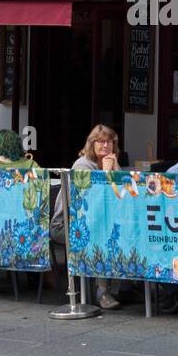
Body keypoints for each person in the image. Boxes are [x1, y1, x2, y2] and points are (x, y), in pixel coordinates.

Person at [71, 125, 125, 310]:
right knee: (105, 234)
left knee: (124, 231)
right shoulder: (83, 165)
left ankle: (123, 286)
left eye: (109, 142)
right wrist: (106, 174)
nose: (105, 145)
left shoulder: (110, 162)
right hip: (71, 223)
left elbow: (122, 197)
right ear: (91, 143)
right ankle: (102, 292)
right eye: (100, 141)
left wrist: (116, 170)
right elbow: (90, 202)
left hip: (99, 220)